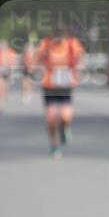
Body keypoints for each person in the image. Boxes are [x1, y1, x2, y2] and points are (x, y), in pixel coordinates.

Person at [36, 28, 84, 157]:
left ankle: (64, 129)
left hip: (65, 85)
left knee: (65, 116)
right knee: (50, 117)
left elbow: (80, 58)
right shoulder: (45, 44)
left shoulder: (72, 44)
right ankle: (54, 145)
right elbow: (37, 60)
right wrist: (39, 69)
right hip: (49, 85)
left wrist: (78, 69)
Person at [0, 38, 17, 113]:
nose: (2, 46)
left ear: (6, 45)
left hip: (6, 72)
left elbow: (13, 62)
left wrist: (12, 69)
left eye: (3, 45)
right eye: (0, 45)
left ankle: (2, 104)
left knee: (3, 88)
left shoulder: (10, 52)